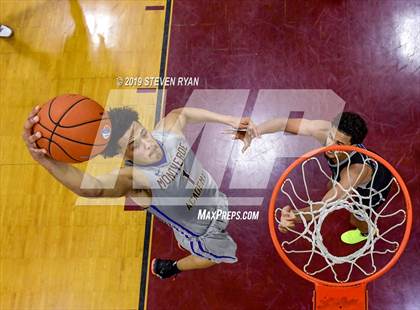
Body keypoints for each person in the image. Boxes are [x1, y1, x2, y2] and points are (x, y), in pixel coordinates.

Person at [22, 105, 257, 279]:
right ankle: (172, 268)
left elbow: (181, 113)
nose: (148, 143)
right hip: (202, 232)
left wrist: (230, 118)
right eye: (135, 145)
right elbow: (91, 188)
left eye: (143, 133)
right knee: (207, 259)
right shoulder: (135, 179)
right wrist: (45, 161)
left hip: (216, 200)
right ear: (124, 154)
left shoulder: (167, 135)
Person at [236, 112, 392, 244]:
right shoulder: (324, 131)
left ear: (352, 146)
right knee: (331, 186)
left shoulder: (355, 171)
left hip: (373, 187)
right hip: (346, 173)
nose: (331, 146)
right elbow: (284, 123)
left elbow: (324, 206)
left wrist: (294, 217)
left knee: (355, 219)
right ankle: (342, 190)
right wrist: (254, 131)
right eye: (331, 137)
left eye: (339, 143)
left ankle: (368, 233)